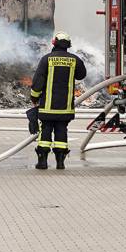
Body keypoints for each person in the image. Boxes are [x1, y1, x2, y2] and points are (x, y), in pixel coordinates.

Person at [29, 31, 87, 170]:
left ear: (54, 43)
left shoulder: (46, 59)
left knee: (45, 132)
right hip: (65, 107)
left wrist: (34, 97)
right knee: (62, 131)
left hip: (48, 106)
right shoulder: (74, 60)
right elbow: (82, 75)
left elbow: (38, 81)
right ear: (68, 45)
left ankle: (42, 162)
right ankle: (60, 163)